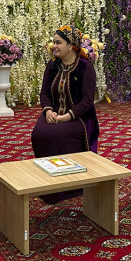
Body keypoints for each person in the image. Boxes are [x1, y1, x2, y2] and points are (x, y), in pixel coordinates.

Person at [31, 24, 99, 203]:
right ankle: (48, 184)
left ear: (70, 45)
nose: (54, 46)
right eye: (53, 42)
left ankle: (68, 187)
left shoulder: (85, 67)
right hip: (53, 114)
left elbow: (87, 101)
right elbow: (44, 93)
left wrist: (66, 116)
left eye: (58, 42)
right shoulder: (53, 65)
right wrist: (48, 111)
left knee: (57, 134)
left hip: (79, 118)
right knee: (39, 133)